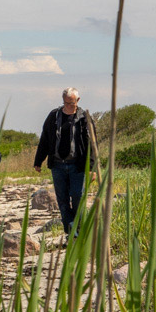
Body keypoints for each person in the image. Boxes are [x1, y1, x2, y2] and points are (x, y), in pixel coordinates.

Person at [33, 88, 96, 235]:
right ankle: (71, 232)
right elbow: (45, 139)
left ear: (78, 101)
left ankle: (79, 230)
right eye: (66, 103)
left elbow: (93, 144)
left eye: (71, 103)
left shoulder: (84, 118)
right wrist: (38, 160)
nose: (68, 106)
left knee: (77, 197)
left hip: (77, 165)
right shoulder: (54, 116)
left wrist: (92, 167)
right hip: (58, 165)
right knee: (62, 200)